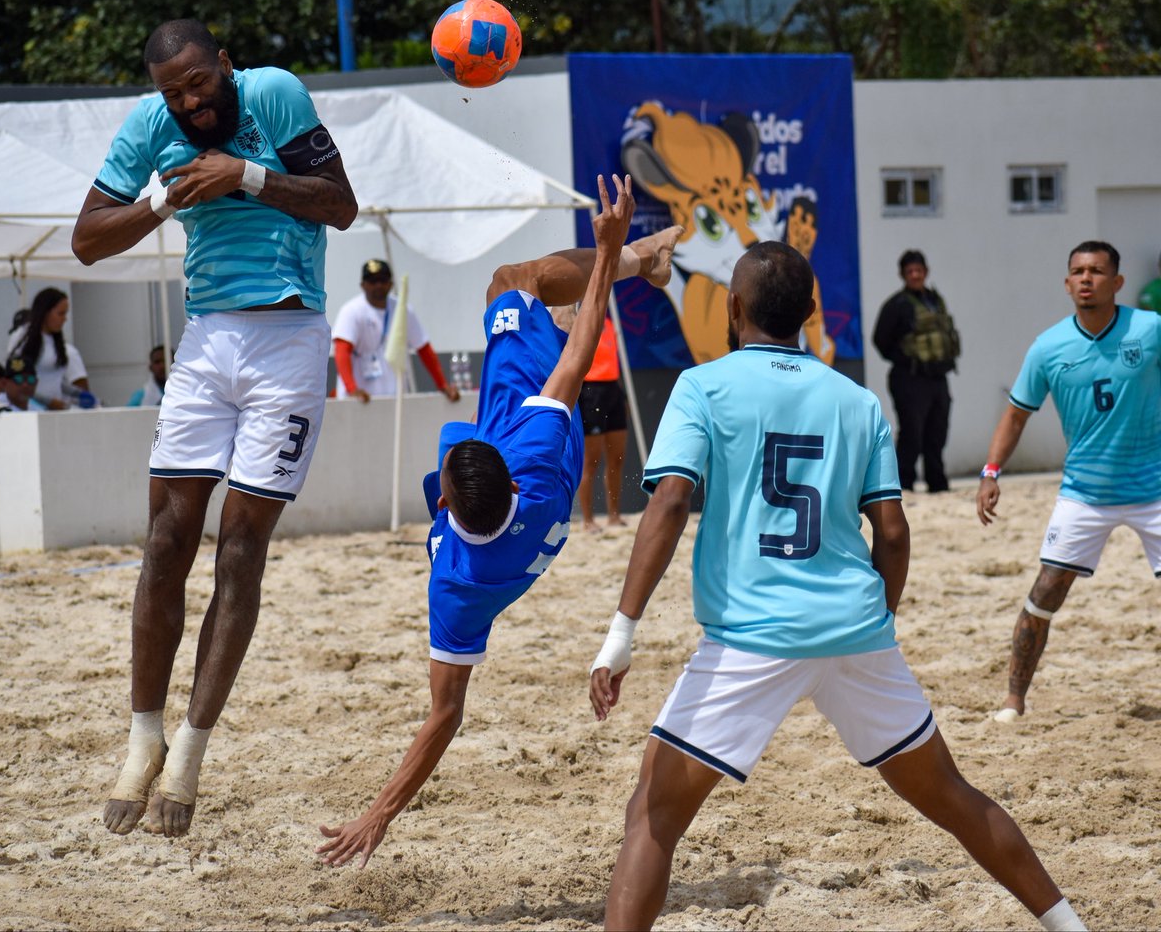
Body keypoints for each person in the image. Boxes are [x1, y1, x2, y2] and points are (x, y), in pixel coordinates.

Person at [588, 241, 1085, 932]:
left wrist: (621, 634)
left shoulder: (703, 386)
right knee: (951, 797)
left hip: (752, 638)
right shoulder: (856, 400)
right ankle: (1069, 925)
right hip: (856, 631)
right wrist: (875, 620)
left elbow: (670, 505)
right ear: (810, 313)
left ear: (732, 309)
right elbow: (894, 530)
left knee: (651, 815)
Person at [315, 176, 682, 869]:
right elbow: (579, 359)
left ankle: (617, 273)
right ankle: (645, 260)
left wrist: (380, 813)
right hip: (534, 414)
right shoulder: (530, 460)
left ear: (447, 501)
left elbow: (444, 718)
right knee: (513, 281)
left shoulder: (456, 586)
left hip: (533, 509)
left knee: (536, 298)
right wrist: (611, 254)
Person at [70, 18, 357, 838]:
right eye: (174, 92)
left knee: (239, 548)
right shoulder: (149, 127)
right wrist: (160, 197)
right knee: (165, 541)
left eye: (198, 82)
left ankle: (192, 750)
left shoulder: (274, 92)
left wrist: (246, 176)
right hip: (205, 344)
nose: (190, 101)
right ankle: (143, 737)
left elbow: (340, 205)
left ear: (224, 65)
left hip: (290, 339)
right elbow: (88, 242)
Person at [978, 240, 1161, 724]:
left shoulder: (1150, 330)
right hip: (1086, 494)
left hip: (1154, 489)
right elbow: (1015, 416)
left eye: (1097, 271)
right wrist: (990, 473)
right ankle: (1014, 700)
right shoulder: (1049, 347)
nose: (1086, 279)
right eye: (1078, 271)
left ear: (1117, 282)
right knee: (1045, 592)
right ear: (1066, 282)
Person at [872, 250, 961, 492]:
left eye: (918, 271)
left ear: (926, 271)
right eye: (910, 271)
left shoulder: (935, 301)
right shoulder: (897, 305)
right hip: (909, 378)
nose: (915, 275)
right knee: (912, 433)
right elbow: (880, 340)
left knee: (937, 432)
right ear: (903, 275)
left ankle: (937, 482)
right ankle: (904, 484)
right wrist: (906, 360)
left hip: (937, 377)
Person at [333, 258, 460, 403]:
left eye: (383, 280)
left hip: (394, 398)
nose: (378, 285)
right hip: (358, 400)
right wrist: (352, 389)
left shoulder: (402, 309)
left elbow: (424, 348)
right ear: (363, 285)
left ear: (391, 284)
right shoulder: (351, 311)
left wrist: (443, 385)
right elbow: (342, 351)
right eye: (372, 281)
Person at [577, 314, 629, 531]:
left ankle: (614, 515)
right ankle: (588, 519)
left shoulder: (608, 322)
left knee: (617, 458)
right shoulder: (580, 321)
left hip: (612, 389)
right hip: (591, 390)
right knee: (591, 462)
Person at [7, 287, 91, 410]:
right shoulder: (21, 337)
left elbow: (55, 380)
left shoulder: (60, 345)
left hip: (56, 411)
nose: (65, 319)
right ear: (45, 312)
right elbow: (15, 381)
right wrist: (47, 401)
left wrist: (77, 394)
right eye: (60, 313)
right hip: (30, 409)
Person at [784, 196, 835, 365]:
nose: (803, 230)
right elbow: (820, 347)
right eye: (798, 221)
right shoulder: (774, 267)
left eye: (810, 225)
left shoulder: (808, 277)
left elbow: (819, 343)